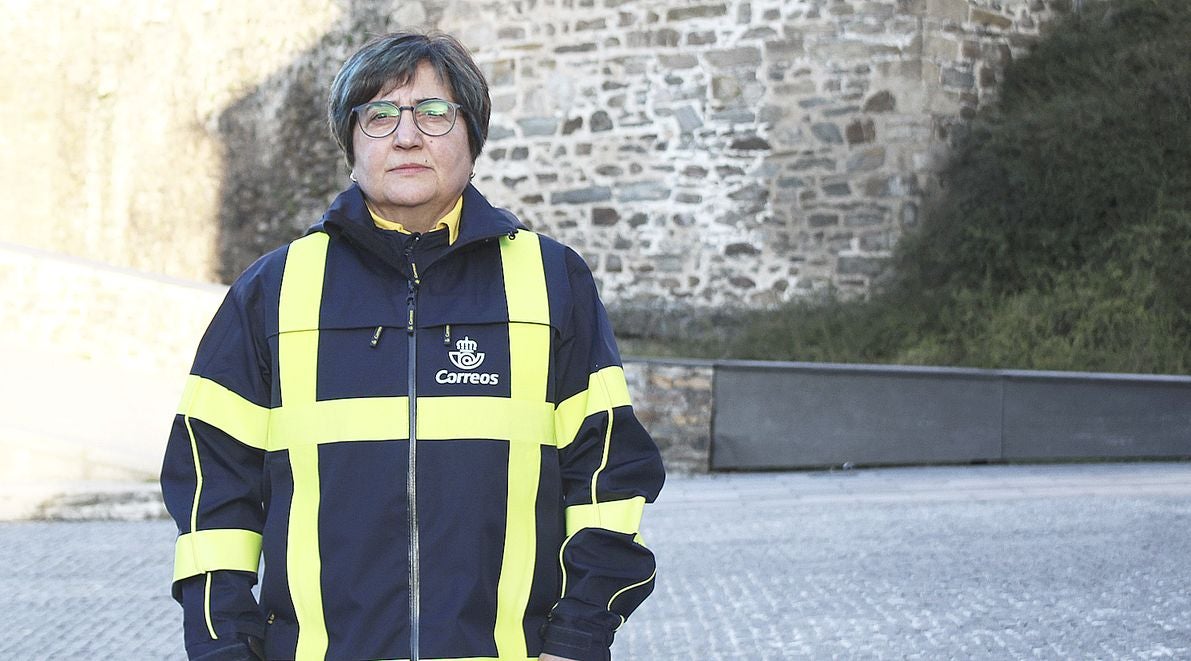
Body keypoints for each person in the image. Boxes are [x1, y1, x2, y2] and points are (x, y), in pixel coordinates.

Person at [160, 31, 665, 661]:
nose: (406, 136)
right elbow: (213, 495)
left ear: (472, 137)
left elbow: (606, 479)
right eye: (378, 115)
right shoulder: (274, 290)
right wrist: (224, 648)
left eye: (433, 113)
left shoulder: (551, 281)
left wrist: (577, 639)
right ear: (350, 143)